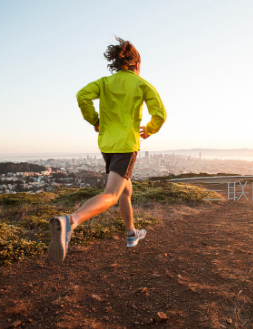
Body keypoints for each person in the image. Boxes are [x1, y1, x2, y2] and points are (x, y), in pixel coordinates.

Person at [48, 36, 167, 264]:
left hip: (107, 145)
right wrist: (150, 129)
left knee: (124, 191)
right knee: (111, 195)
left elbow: (81, 95)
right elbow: (160, 114)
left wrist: (94, 120)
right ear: (136, 64)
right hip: (126, 145)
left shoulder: (104, 82)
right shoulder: (142, 84)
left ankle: (132, 234)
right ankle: (69, 222)